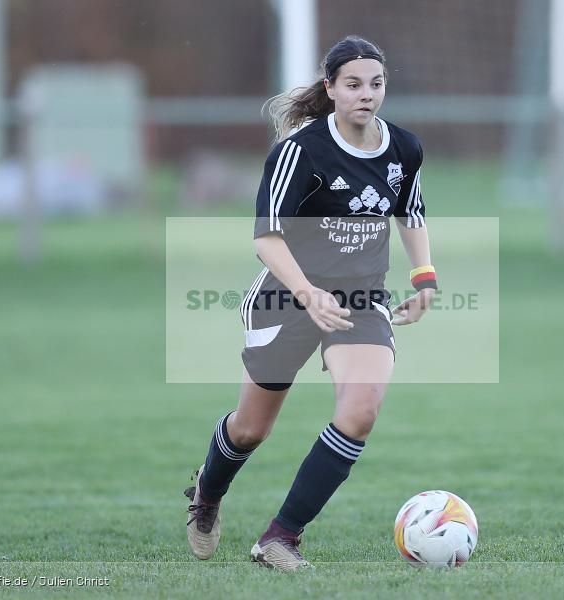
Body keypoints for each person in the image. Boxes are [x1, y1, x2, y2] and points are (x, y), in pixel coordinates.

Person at [184, 35, 438, 571]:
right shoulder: (300, 151)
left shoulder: (404, 148)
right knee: (251, 429)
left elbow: (410, 213)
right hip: (286, 295)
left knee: (361, 410)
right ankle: (206, 495)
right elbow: (267, 237)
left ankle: (280, 537)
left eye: (376, 84)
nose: (366, 94)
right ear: (331, 88)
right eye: (353, 85)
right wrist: (308, 293)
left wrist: (424, 279)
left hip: (361, 299)